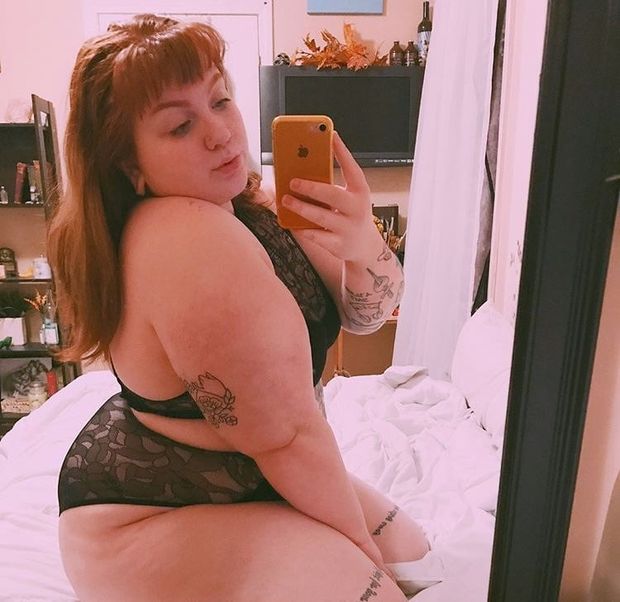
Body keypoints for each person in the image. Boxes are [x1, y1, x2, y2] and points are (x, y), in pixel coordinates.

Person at [49, 14, 429, 601]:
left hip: (250, 471)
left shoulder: (252, 201)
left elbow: (368, 314)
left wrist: (362, 244)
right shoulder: (182, 237)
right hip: (147, 513)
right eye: (180, 126)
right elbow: (286, 436)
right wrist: (359, 547)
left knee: (417, 556)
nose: (220, 133)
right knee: (377, 588)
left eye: (220, 100)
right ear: (129, 165)